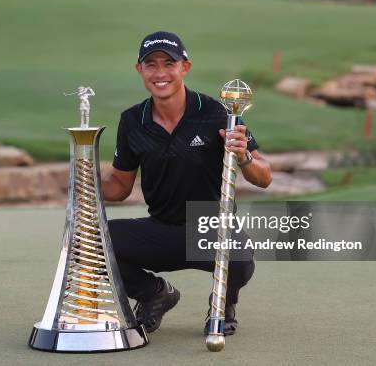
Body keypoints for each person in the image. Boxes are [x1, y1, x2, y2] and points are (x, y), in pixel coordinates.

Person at [101, 31, 272, 335]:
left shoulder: (218, 114)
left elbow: (264, 176)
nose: (160, 73)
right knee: (97, 243)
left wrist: (243, 155)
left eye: (169, 63)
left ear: (185, 67)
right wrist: (83, 185)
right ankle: (155, 293)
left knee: (241, 259)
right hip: (161, 229)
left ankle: (223, 303)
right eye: (151, 65)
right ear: (140, 70)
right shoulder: (132, 120)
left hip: (211, 229)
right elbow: (120, 186)